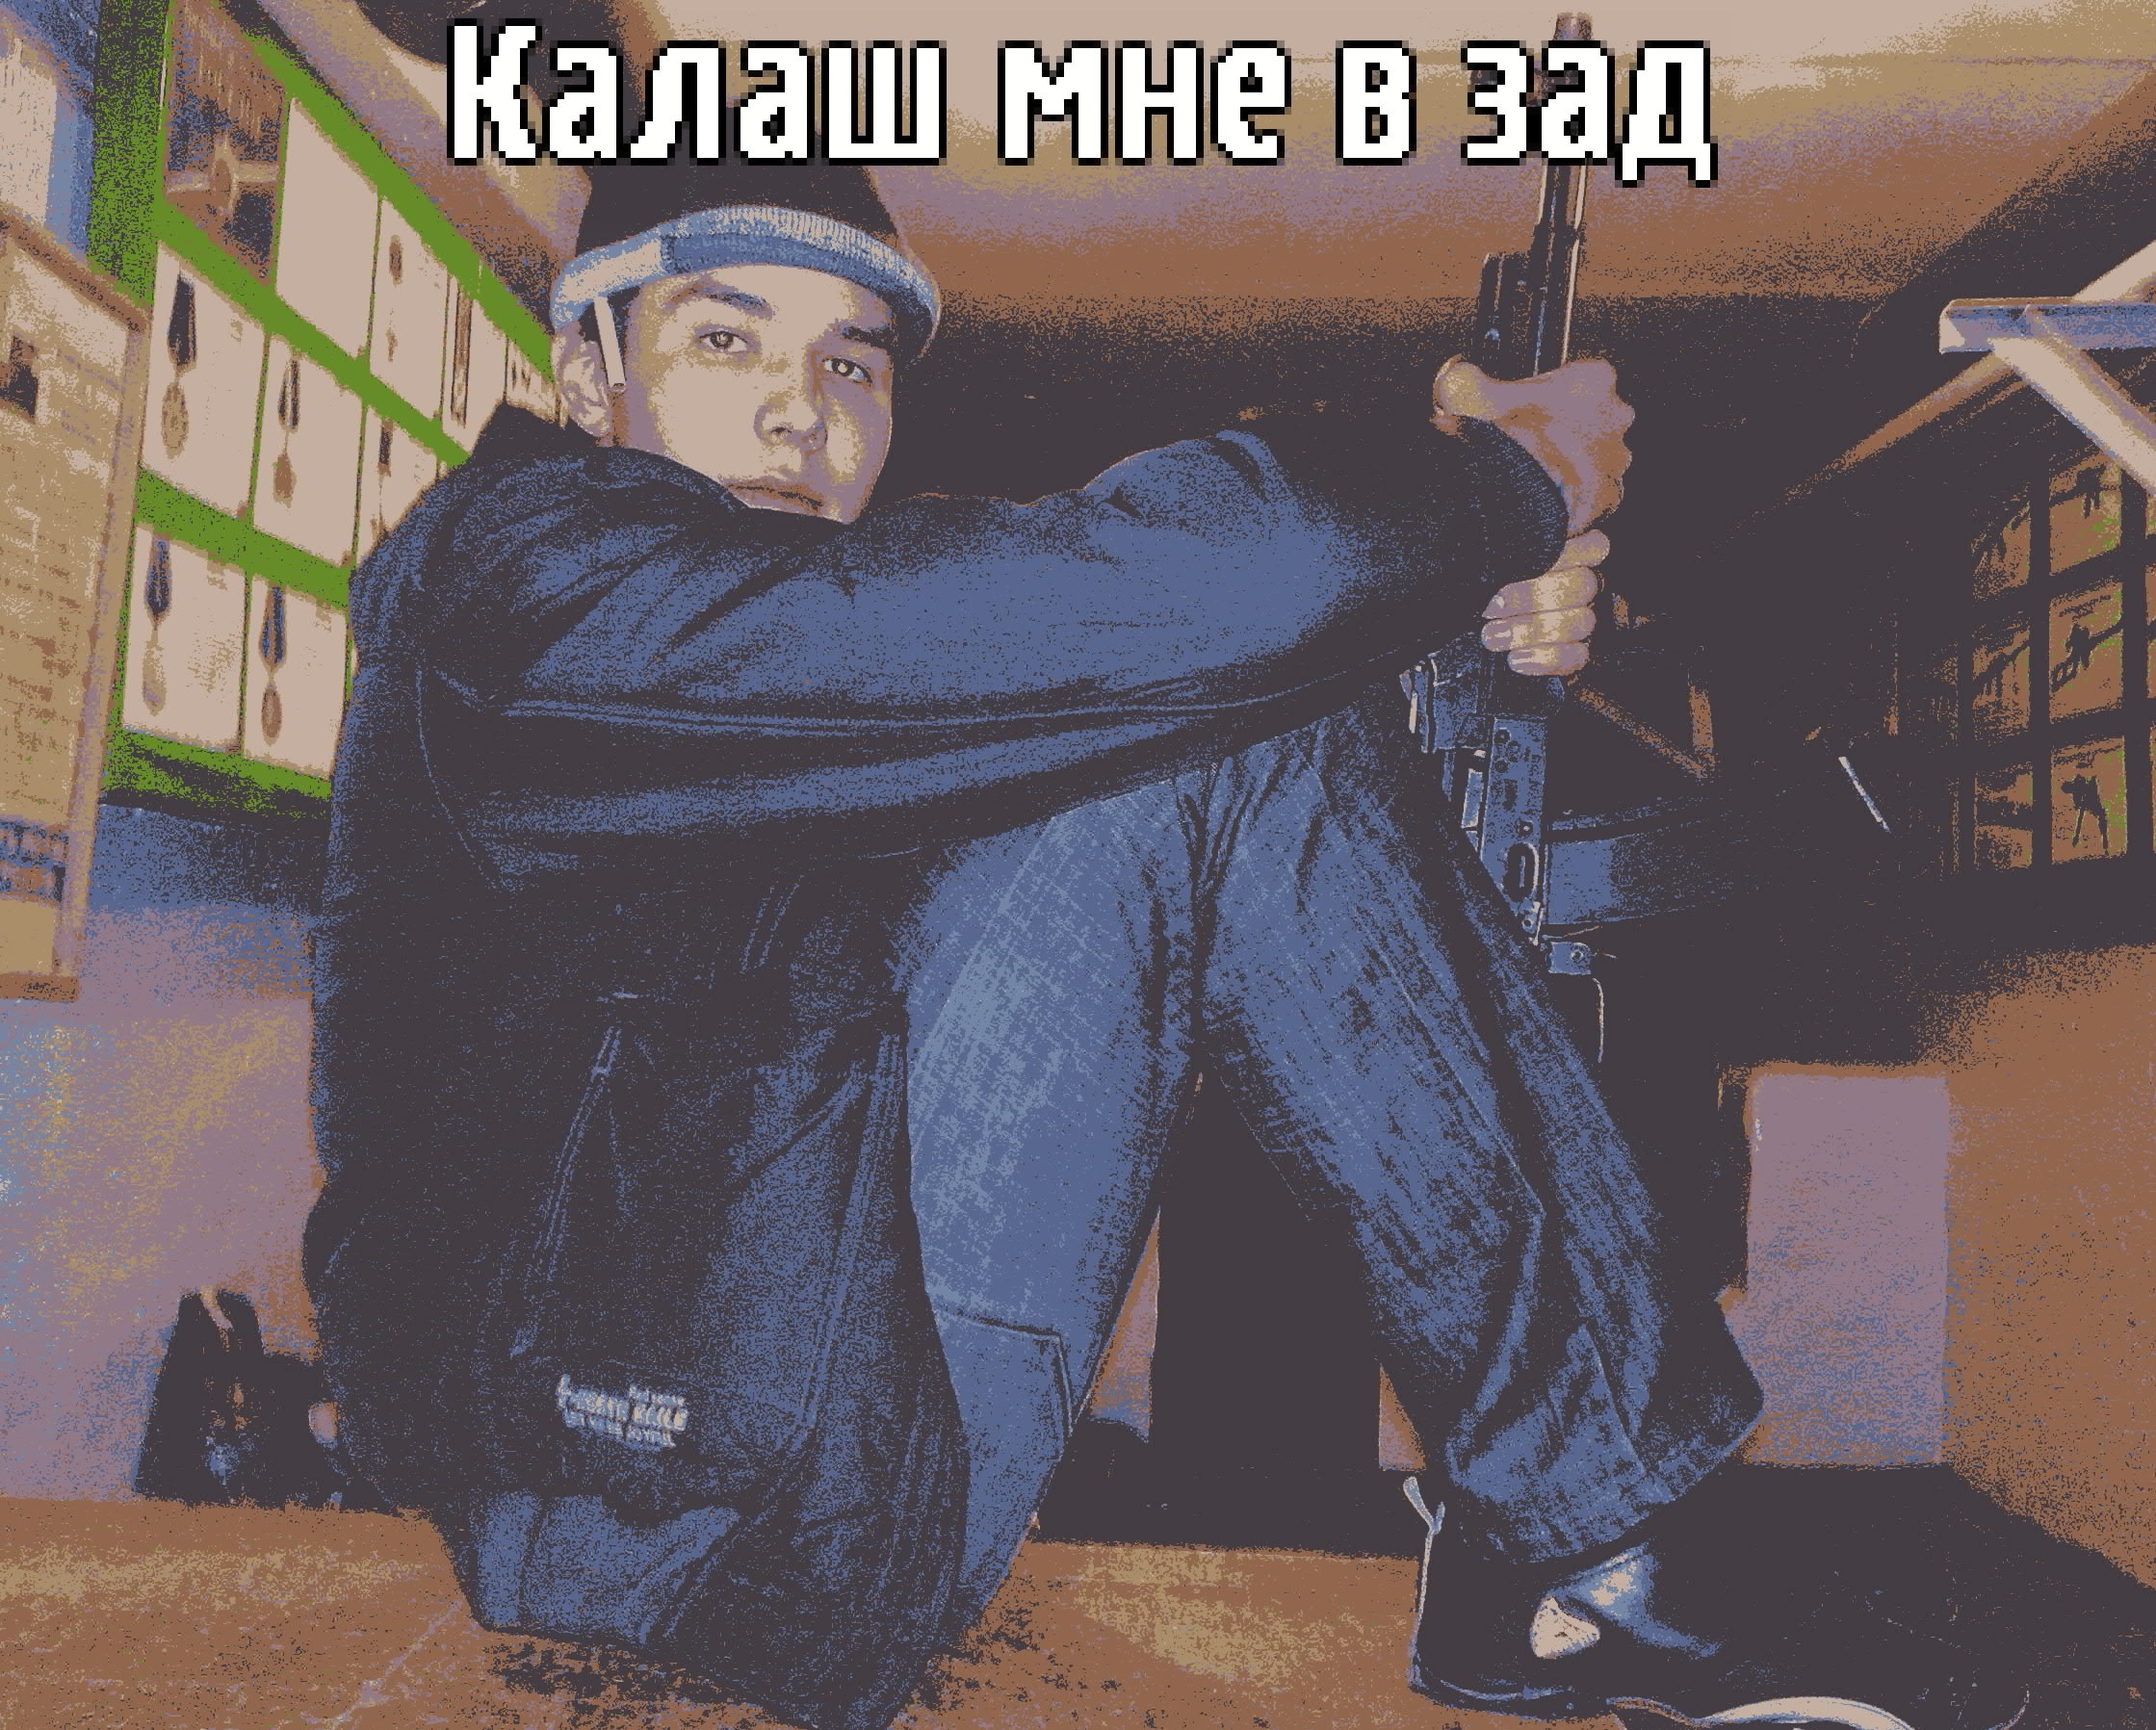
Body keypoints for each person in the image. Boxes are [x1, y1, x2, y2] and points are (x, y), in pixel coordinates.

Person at [304, 158, 2024, 1730]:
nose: (798, 409)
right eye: (725, 336)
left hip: (757, 1424)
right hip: (651, 1508)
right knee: (1210, 708)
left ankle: (1576, 1541)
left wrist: (1445, 603)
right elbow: (1174, 599)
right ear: (587, 375)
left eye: (852, 363)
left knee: (1204, 695)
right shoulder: (519, 591)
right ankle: (1596, 1542)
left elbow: (1169, 686)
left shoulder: (719, 659)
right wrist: (1496, 492)